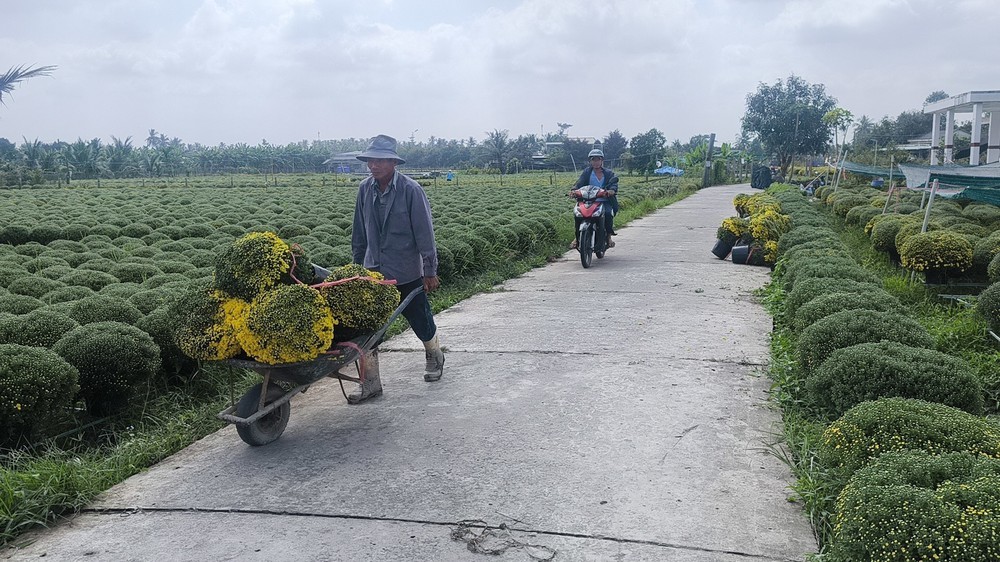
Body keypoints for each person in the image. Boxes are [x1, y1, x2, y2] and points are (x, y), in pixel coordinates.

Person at [349, 134, 445, 404]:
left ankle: (434, 356)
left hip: (405, 270)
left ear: (392, 162)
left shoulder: (410, 190)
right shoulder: (364, 189)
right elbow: (359, 231)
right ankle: (370, 382)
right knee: (367, 327)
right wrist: (355, 267)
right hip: (373, 271)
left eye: (379, 160)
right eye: (370, 160)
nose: (373, 165)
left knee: (420, 318)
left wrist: (429, 269)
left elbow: (424, 232)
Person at [569, 148, 619, 250]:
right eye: (593, 160)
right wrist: (574, 190)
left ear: (602, 161)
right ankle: (577, 238)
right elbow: (579, 183)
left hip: (604, 201)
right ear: (590, 161)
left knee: (608, 214)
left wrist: (611, 191)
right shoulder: (587, 172)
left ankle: (608, 237)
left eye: (598, 160)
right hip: (588, 200)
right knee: (578, 214)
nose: (596, 162)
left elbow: (613, 185)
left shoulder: (608, 173)